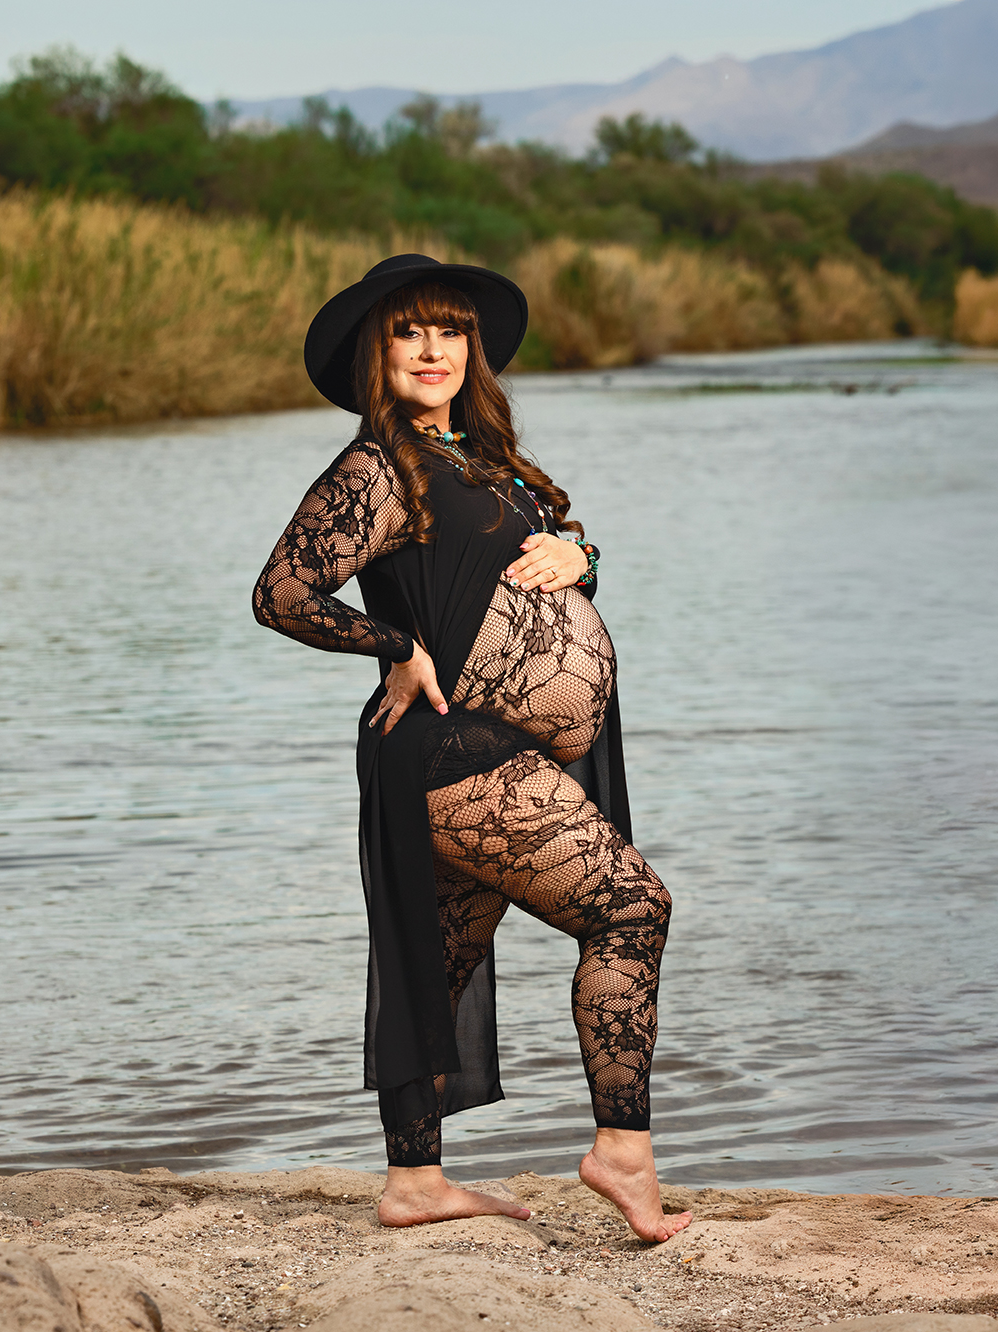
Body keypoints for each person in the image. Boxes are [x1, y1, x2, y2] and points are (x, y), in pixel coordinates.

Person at [252, 254, 690, 1242]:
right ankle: (621, 1149)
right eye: (408, 332)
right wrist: (394, 644)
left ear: (471, 347)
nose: (431, 348)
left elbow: (539, 557)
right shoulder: (378, 465)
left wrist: (583, 553)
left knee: (440, 957)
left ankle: (415, 1179)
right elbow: (279, 590)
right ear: (378, 352)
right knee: (631, 906)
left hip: (475, 750)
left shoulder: (476, 455)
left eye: (447, 330)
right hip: (453, 751)